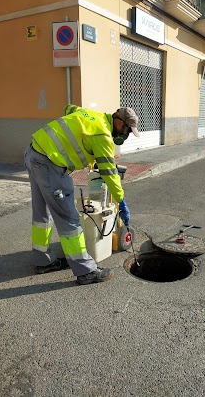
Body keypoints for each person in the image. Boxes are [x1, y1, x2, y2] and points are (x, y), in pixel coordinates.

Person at [24, 105, 139, 285]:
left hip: (34, 153)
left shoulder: (92, 115)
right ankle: (85, 270)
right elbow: (109, 173)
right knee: (69, 218)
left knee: (42, 212)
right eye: (127, 130)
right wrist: (121, 201)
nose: (126, 135)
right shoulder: (103, 136)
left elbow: (69, 109)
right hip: (49, 164)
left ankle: (43, 260)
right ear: (118, 122)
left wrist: (74, 143)